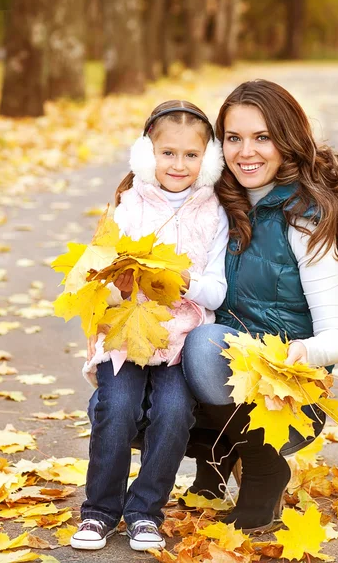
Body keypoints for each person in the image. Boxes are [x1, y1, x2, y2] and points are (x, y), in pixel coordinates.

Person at [181, 79, 338, 532]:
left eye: (262, 137)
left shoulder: (303, 220)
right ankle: (217, 460)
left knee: (206, 345)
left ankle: (265, 468)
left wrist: (302, 353)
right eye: (234, 138)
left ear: (287, 141)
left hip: (284, 394)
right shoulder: (210, 208)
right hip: (212, 377)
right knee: (124, 395)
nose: (246, 152)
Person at [71, 100, 229, 551]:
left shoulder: (213, 213)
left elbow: (216, 291)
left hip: (180, 336)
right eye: (168, 153)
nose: (178, 164)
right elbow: (96, 275)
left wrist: (184, 281)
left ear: (209, 160)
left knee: (174, 412)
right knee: (116, 409)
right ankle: (100, 511)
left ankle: (144, 510)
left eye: (191, 155)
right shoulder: (127, 204)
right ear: (147, 154)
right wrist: (120, 287)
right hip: (126, 333)